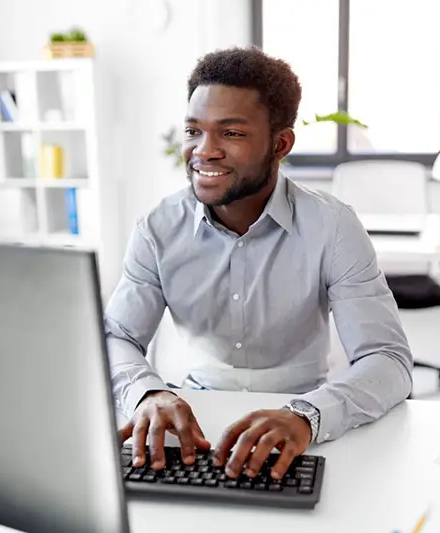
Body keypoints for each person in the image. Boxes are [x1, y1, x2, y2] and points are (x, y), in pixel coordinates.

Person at [106, 46, 413, 481]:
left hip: (304, 419)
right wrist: (147, 394)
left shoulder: (333, 226)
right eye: (194, 131)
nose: (203, 152)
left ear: (280, 144)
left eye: (231, 134)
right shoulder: (157, 228)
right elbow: (117, 336)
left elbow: (387, 359)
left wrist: (308, 416)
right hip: (197, 422)